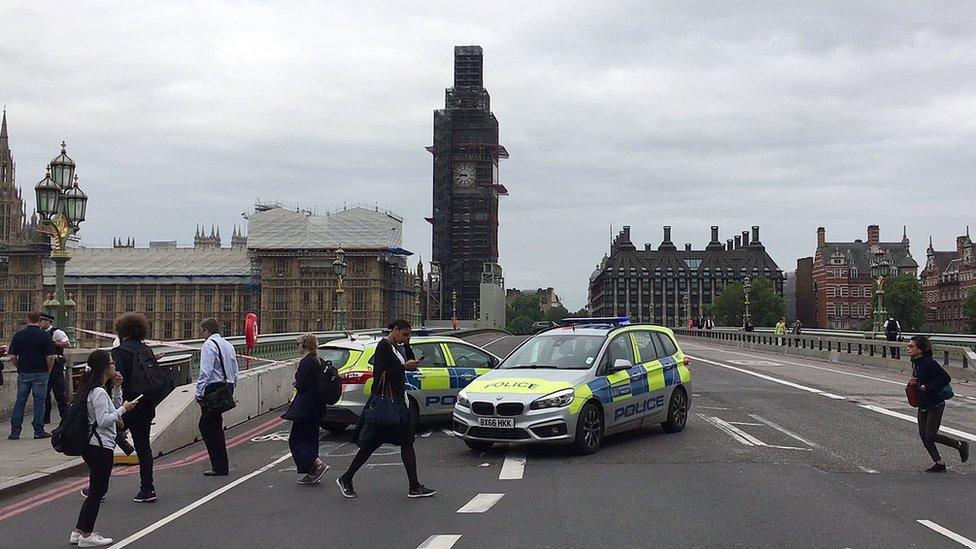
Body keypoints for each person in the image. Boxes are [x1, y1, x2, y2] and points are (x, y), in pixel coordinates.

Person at [337, 319, 435, 499]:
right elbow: (380, 374)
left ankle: (414, 486)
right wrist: (404, 367)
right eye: (404, 334)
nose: (406, 337)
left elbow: (407, 362)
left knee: (403, 442)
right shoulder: (383, 346)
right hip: (388, 402)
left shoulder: (396, 346)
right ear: (395, 330)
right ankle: (346, 477)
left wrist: (407, 346)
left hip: (398, 401)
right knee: (383, 444)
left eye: (409, 335)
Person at [70, 350, 138, 547]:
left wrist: (118, 389)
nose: (114, 366)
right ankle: (87, 535)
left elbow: (111, 410)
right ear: (104, 368)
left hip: (94, 446)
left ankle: (78, 531)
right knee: (98, 491)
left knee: (95, 490)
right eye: (111, 363)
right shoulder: (98, 392)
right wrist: (125, 409)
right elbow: (104, 420)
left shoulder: (96, 388)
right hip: (100, 446)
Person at [111, 313, 158, 503]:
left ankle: (96, 488)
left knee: (103, 444)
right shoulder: (147, 349)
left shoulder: (119, 352)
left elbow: (116, 379)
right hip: (146, 404)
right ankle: (148, 488)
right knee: (144, 447)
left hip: (127, 405)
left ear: (122, 330)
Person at [908, 336, 969, 472]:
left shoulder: (930, 363)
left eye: (911, 346)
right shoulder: (915, 362)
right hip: (923, 403)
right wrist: (915, 383)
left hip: (935, 404)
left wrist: (928, 387)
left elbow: (945, 378)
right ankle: (939, 463)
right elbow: (920, 380)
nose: (908, 348)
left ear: (921, 349)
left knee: (931, 435)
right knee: (924, 436)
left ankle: (960, 445)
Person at [283, 333, 328, 485]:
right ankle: (313, 470)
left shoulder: (306, 363)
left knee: (296, 440)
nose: (297, 347)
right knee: (309, 438)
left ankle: (318, 465)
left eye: (298, 344)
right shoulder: (319, 360)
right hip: (317, 407)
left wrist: (296, 382)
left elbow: (301, 385)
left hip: (306, 408)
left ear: (304, 345)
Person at [196, 317, 239, 477]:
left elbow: (205, 371)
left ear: (207, 330)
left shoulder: (208, 345)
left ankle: (219, 466)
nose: (202, 335)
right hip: (226, 387)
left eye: (202, 332)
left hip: (214, 389)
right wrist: (232, 387)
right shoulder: (228, 344)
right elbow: (235, 369)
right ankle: (221, 465)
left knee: (206, 426)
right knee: (215, 426)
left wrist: (199, 392)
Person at [8, 311, 55, 440]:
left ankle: (15, 432)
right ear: (39, 320)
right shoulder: (44, 336)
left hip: (24, 372)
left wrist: (19, 366)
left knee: (20, 402)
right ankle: (38, 431)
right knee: (39, 402)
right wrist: (48, 370)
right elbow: (50, 357)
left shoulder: (19, 335)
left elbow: (12, 356)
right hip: (40, 372)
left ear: (27, 319)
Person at [39, 313, 71, 425]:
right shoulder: (40, 333)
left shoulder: (57, 332)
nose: (40, 323)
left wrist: (54, 343)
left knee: (59, 394)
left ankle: (65, 416)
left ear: (48, 321)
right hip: (45, 366)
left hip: (56, 367)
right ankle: (46, 418)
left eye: (42, 321)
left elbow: (67, 344)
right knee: (45, 394)